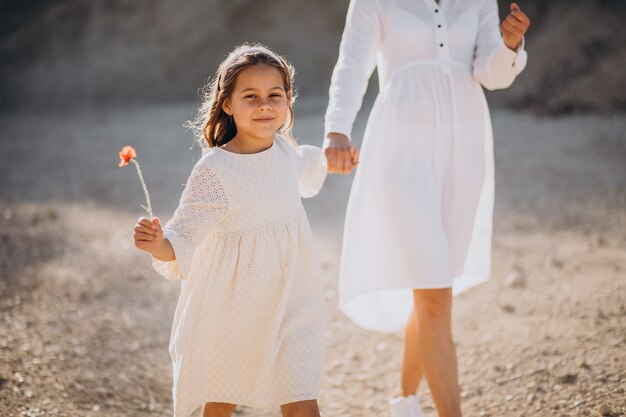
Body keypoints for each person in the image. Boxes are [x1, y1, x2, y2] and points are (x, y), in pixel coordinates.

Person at [323, 1, 530, 416]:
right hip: (402, 150)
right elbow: (352, 63)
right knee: (435, 290)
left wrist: (509, 44)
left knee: (434, 285)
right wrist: (337, 130)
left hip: (464, 147)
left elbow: (491, 74)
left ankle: (405, 403)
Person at [133, 44, 328, 417]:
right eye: (250, 97)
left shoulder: (285, 152)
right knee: (221, 398)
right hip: (237, 307)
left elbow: (308, 165)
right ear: (227, 104)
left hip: (294, 299)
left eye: (275, 95)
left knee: (301, 395)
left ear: (288, 101)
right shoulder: (216, 171)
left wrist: (339, 156)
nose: (265, 105)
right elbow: (183, 236)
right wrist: (158, 244)